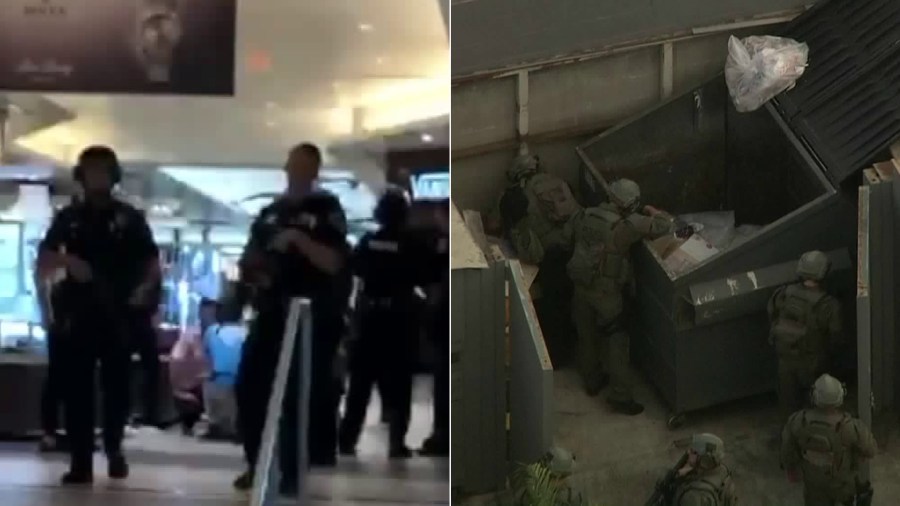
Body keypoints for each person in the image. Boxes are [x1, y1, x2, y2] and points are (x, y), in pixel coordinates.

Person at [37, 145, 160, 484]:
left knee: (117, 387)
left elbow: (151, 261)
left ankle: (114, 447)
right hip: (77, 312)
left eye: (103, 171)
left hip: (119, 312)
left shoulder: (130, 218)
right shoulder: (69, 218)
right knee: (77, 389)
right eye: (90, 171)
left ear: (113, 175)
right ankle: (80, 460)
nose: (96, 178)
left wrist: (143, 293)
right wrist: (67, 262)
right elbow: (45, 257)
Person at [232, 143, 350, 495]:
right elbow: (248, 259)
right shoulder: (270, 213)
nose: (296, 171)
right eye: (293, 164)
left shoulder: (326, 211)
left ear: (315, 171)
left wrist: (298, 239)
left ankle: (293, 472)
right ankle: (257, 463)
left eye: (305, 166)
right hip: (269, 310)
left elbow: (333, 261)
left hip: (309, 315)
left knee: (298, 395)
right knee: (250, 387)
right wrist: (256, 273)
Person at [566, 179, 680, 415]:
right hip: (607, 294)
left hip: (580, 287)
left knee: (586, 335)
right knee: (617, 343)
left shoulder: (585, 215)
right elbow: (666, 226)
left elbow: (568, 234)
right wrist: (652, 211)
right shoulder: (627, 224)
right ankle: (620, 396)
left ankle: (592, 380)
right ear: (631, 204)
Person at [338, 188, 421, 459]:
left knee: (360, 385)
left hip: (369, 319)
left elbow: (355, 272)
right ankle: (396, 443)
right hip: (399, 321)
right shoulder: (412, 244)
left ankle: (347, 440)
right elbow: (424, 278)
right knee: (399, 386)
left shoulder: (367, 242)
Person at [498, 153, 581, 366]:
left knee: (552, 309)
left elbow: (530, 251)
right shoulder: (560, 183)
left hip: (550, 262)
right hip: (577, 252)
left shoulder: (518, 198)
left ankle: (558, 358)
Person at [781, 374, 876, 506]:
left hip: (813, 485)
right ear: (840, 396)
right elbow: (870, 449)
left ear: (814, 396)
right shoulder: (850, 427)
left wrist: (791, 468)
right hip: (842, 487)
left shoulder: (798, 421)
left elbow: (787, 449)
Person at [768, 251, 842, 416]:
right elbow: (836, 338)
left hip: (785, 361)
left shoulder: (783, 293)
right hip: (813, 364)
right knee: (816, 410)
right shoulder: (828, 305)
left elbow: (772, 317)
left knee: (788, 409)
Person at [419, 199, 449, 456]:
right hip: (440, 325)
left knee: (444, 385)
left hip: (444, 323)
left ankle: (443, 436)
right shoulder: (440, 244)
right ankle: (441, 434)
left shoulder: (445, 247)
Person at [202, 300, 244, 440]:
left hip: (218, 380)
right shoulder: (245, 332)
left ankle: (214, 423)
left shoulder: (212, 331)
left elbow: (207, 356)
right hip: (240, 381)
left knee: (207, 380)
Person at [663, 433, 737, 506]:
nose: (688, 452)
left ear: (705, 460)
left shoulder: (694, 495)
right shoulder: (722, 470)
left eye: (694, 452)